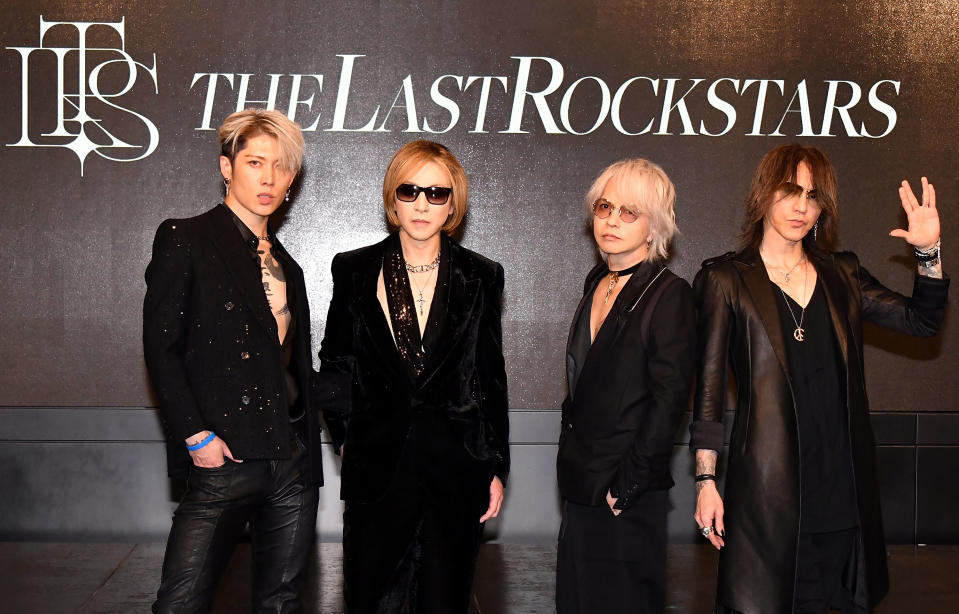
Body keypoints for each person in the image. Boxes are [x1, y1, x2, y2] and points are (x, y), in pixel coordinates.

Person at [690, 144, 948, 613]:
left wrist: (928, 253)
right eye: (789, 191)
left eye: (812, 195)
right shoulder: (726, 280)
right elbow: (708, 392)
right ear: (764, 195)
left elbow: (922, 322)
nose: (801, 206)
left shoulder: (842, 274)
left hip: (843, 499)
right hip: (769, 498)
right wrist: (706, 480)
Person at [318, 140, 509, 613]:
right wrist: (347, 436)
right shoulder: (354, 269)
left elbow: (490, 374)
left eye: (437, 193)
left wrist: (496, 465)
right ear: (393, 199)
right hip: (376, 467)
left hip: (457, 467)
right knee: (370, 596)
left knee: (447, 597)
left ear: (453, 204)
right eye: (410, 190)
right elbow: (336, 361)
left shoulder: (481, 275)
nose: (422, 203)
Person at [143, 109, 322, 613]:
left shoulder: (290, 267)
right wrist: (196, 436)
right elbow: (162, 347)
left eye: (281, 167)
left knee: (281, 604)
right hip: (222, 460)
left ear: (291, 180)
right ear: (227, 167)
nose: (268, 177)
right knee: (180, 603)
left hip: (290, 464)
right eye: (255, 161)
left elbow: (293, 369)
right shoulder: (187, 239)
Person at [556, 158, 697, 614]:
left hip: (625, 492)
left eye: (629, 212)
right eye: (604, 207)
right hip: (581, 481)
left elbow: (671, 398)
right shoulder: (596, 280)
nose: (612, 220)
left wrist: (628, 485)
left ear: (655, 226)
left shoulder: (669, 293)